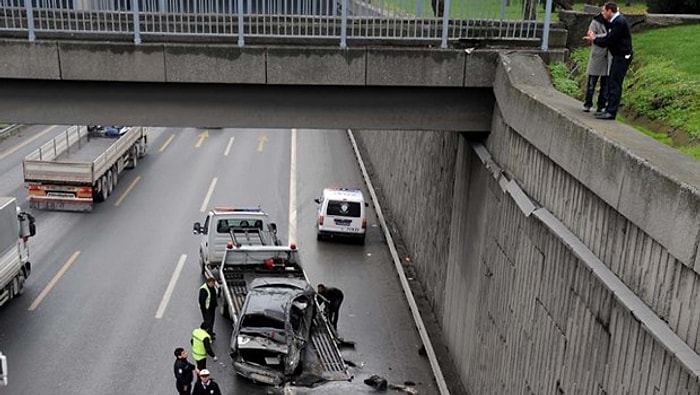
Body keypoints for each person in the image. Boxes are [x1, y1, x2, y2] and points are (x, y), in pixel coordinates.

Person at [584, 2, 633, 120]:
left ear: (610, 11)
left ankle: (611, 112)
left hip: (622, 56)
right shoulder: (616, 21)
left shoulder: (618, 22)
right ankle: (608, 109)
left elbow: (610, 40)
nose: (603, 13)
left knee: (615, 83)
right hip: (618, 55)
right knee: (612, 82)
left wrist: (595, 39)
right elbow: (608, 38)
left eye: (604, 11)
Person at [582, 11, 610, 114]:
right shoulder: (595, 22)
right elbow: (590, 35)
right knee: (591, 83)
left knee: (605, 85)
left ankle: (601, 106)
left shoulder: (613, 22)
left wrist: (597, 37)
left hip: (608, 57)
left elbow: (613, 36)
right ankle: (587, 103)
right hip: (597, 55)